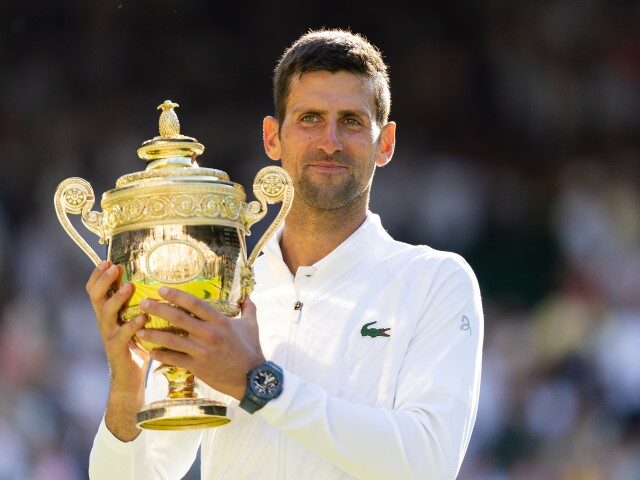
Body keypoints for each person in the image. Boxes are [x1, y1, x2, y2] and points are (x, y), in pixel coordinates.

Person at [87, 28, 483, 480]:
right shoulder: (218, 285)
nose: (329, 141)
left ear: (385, 143)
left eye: (351, 121)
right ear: (272, 138)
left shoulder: (436, 280)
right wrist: (127, 383)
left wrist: (256, 383)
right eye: (310, 118)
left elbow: (428, 463)